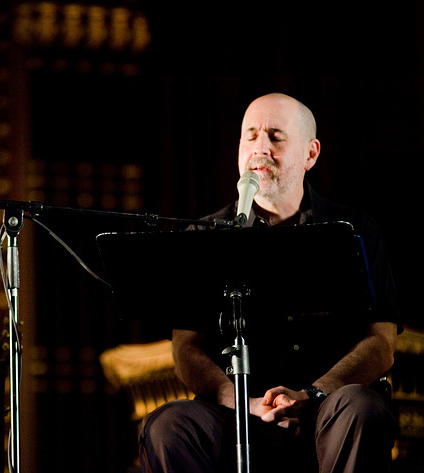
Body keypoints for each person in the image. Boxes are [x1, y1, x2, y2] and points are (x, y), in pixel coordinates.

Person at [139, 93, 401, 473]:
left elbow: (382, 342)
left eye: (275, 137)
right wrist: (241, 399)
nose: (260, 148)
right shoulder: (205, 236)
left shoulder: (355, 230)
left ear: (310, 154)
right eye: (251, 136)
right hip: (236, 411)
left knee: (362, 408)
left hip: (328, 410)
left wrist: (311, 394)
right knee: (167, 427)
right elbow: (186, 348)